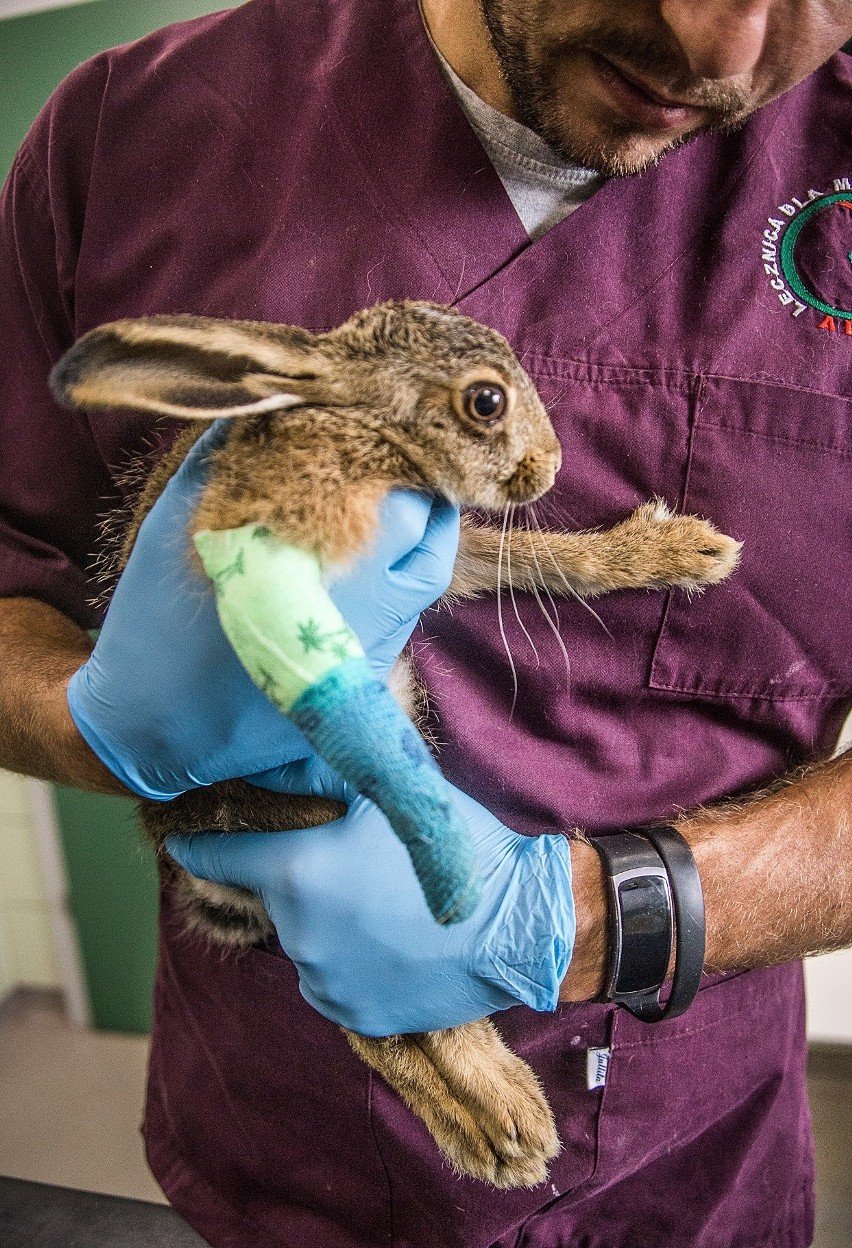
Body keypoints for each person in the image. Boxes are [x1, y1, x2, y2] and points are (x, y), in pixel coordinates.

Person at [1, 0, 851, 1243]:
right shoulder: (132, 128)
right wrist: (98, 721)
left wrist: (592, 916)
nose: (721, 49)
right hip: (277, 1137)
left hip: (692, 1154)